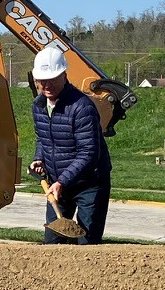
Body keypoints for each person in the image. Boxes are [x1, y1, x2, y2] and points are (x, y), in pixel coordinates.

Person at [28, 42, 110, 245]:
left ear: (64, 75)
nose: (46, 86)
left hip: (89, 184)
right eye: (42, 81)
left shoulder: (81, 107)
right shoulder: (38, 106)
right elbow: (44, 138)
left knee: (86, 243)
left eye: (52, 80)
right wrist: (39, 158)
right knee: (53, 242)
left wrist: (62, 181)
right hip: (58, 184)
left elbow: (89, 153)